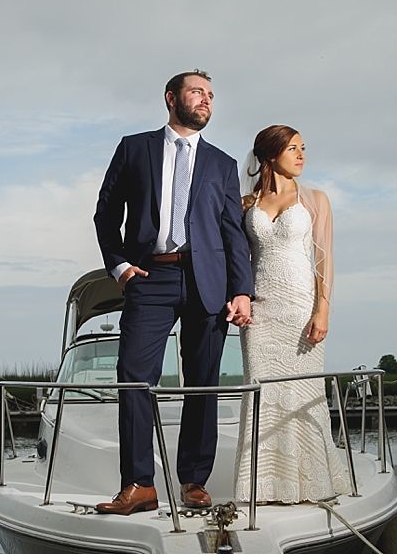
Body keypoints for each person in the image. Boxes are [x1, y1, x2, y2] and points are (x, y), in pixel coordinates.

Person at [92, 70, 254, 516]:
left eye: (211, 95)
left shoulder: (221, 164)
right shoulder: (134, 148)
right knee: (133, 377)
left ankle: (194, 481)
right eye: (197, 92)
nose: (206, 101)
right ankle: (139, 484)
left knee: (203, 384)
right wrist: (121, 267)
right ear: (171, 98)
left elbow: (233, 233)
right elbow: (105, 214)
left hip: (209, 280)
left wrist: (242, 290)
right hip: (150, 277)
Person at [233, 124, 351, 504]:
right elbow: (236, 258)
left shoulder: (316, 199)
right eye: (292, 148)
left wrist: (323, 309)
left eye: (303, 148)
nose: (301, 155)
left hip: (301, 307)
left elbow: (324, 258)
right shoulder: (246, 204)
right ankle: (263, 488)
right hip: (261, 312)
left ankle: (311, 483)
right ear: (270, 155)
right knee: (262, 395)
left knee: (304, 392)